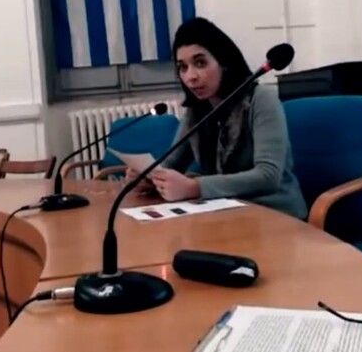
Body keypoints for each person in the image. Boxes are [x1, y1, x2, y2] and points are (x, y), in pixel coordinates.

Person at [127, 17, 308, 220]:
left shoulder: (261, 99)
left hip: (277, 216)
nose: (190, 76)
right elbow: (173, 163)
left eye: (200, 63)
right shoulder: (197, 109)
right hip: (225, 212)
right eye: (183, 67)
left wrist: (194, 187)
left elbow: (268, 176)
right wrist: (149, 178)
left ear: (224, 62)